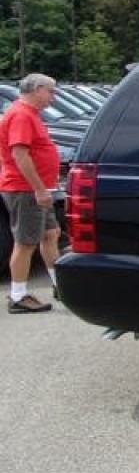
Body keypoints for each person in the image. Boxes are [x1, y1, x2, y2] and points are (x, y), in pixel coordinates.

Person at [0, 72, 62, 313]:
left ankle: (59, 284)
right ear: (37, 89)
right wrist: (38, 189)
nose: (53, 98)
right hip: (25, 190)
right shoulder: (21, 115)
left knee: (51, 233)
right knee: (26, 242)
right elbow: (19, 154)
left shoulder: (29, 114)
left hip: (37, 189)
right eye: (51, 92)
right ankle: (18, 296)